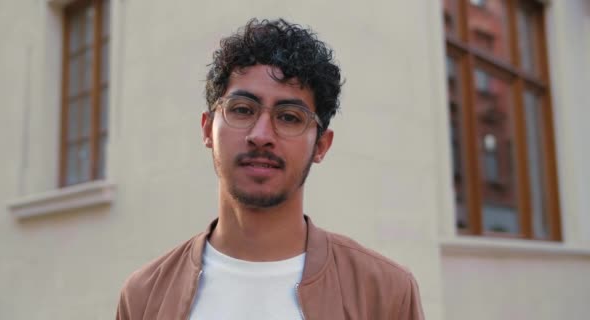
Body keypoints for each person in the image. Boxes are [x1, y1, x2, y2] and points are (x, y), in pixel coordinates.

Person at [116, 18, 424, 320]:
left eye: (289, 117)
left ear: (321, 146)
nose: (261, 135)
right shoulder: (145, 296)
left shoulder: (384, 293)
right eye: (242, 110)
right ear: (208, 129)